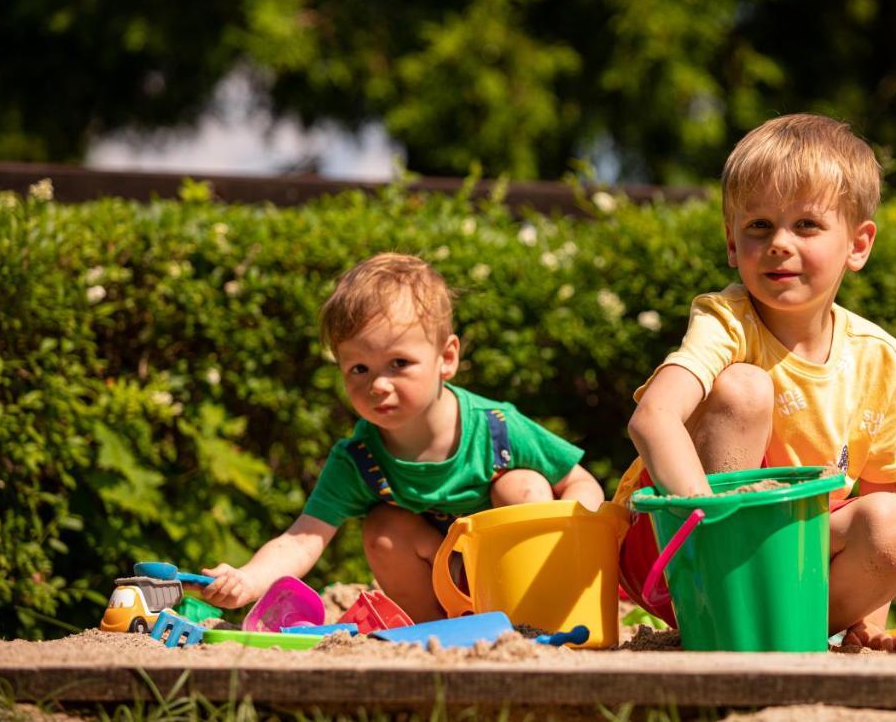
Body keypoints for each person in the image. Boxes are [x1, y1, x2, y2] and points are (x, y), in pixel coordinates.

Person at [613, 113, 896, 653]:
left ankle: (782, 632)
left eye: (806, 225)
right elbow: (654, 416)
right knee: (743, 388)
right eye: (758, 226)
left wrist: (871, 621)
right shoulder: (727, 321)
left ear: (858, 245)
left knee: (895, 525)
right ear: (733, 245)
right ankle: (719, 613)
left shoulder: (876, 356)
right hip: (679, 540)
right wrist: (714, 521)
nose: (780, 242)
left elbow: (882, 494)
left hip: (782, 560)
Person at [202, 252, 604, 621]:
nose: (378, 384)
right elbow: (303, 538)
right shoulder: (359, 459)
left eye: (399, 363)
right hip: (443, 589)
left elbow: (580, 482)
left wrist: (571, 540)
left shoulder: (495, 428)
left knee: (525, 486)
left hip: (520, 580)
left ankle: (531, 619)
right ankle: (440, 630)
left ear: (446, 358)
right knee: (382, 529)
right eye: (359, 368)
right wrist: (249, 580)